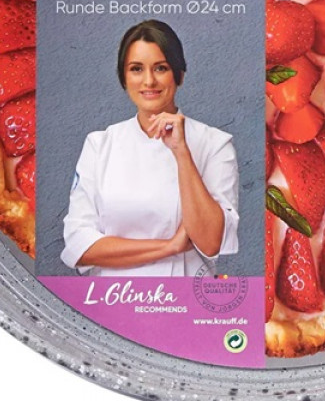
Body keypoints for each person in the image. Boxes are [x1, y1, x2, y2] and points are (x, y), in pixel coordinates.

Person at [61, 21, 239, 277]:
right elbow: (78, 245)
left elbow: (211, 242)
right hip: (113, 296)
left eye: (161, 68)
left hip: (184, 295)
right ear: (123, 77)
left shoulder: (215, 144)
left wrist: (181, 152)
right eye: (136, 69)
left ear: (179, 75)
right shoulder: (99, 144)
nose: (149, 81)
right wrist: (170, 246)